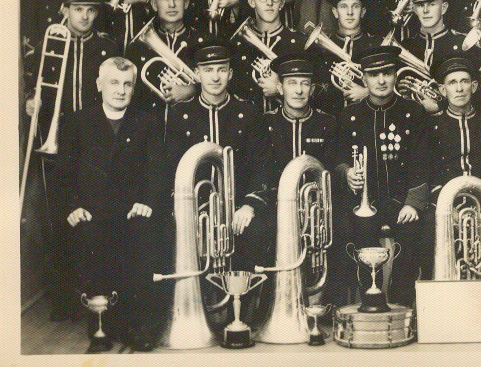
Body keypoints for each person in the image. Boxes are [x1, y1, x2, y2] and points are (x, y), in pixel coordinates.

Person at [24, 0, 119, 323]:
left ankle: (99, 293)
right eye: (78, 9)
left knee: (96, 217)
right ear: (64, 10)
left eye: (91, 9)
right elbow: (29, 88)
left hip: (95, 144)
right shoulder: (43, 49)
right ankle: (64, 297)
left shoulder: (108, 46)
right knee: (58, 219)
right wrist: (29, 100)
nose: (85, 15)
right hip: (57, 143)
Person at [56, 57, 164, 352]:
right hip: (93, 211)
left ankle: (136, 324)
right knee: (89, 236)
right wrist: (73, 206)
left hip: (131, 210)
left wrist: (147, 202)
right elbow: (63, 174)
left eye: (127, 84)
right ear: (99, 85)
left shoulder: (148, 122)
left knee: (142, 237)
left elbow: (157, 170)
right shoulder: (78, 121)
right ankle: (100, 325)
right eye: (114, 83)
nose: (121, 90)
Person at [330, 46, 428, 308]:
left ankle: (402, 302)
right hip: (364, 201)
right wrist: (347, 173)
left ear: (396, 75)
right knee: (354, 232)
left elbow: (421, 161)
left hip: (401, 200)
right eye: (374, 75)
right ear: (363, 79)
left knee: (412, 235)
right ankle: (369, 298)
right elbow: (338, 159)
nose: (381, 80)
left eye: (387, 73)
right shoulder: (350, 115)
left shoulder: (414, 112)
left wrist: (413, 202)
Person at [164, 41, 273, 275]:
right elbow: (170, 166)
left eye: (221, 69)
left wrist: (249, 206)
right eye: (208, 70)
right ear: (196, 74)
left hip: (238, 210)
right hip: (194, 209)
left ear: (230, 73)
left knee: (258, 233)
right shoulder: (180, 114)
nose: (215, 77)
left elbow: (261, 164)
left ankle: (245, 309)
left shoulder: (249, 113)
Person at [407, 56, 481, 281]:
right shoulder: (431, 126)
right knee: (429, 234)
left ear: (475, 86)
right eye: (452, 82)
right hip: (443, 205)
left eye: (465, 81)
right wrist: (451, 208)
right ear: (442, 89)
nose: (459, 88)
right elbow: (424, 171)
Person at [261, 52, 337, 279]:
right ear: (280, 88)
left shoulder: (327, 123)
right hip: (275, 205)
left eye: (305, 84)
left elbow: (330, 172)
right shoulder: (266, 122)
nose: (299, 90)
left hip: (316, 208)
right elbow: (261, 169)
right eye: (291, 83)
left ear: (312, 90)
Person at [124, 0, 207, 120]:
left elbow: (221, 84)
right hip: (151, 126)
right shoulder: (137, 48)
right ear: (154, 5)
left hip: (191, 125)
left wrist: (192, 89)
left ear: (186, 3)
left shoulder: (203, 42)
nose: (172, 4)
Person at [230, 0, 307, 112]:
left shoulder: (299, 42)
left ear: (282, 2)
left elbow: (312, 91)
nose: (270, 3)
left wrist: (279, 89)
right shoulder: (237, 44)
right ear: (252, 2)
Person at [398, 0, 466, 113]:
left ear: (444, 8)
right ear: (415, 10)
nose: (425, 10)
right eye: (420, 5)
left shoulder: (462, 44)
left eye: (432, 4)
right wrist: (404, 93)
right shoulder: (406, 46)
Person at [308, 0, 375, 116]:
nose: (349, 12)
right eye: (343, 6)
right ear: (335, 12)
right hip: (330, 122)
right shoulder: (320, 49)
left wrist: (368, 93)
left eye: (355, 6)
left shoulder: (376, 45)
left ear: (363, 12)